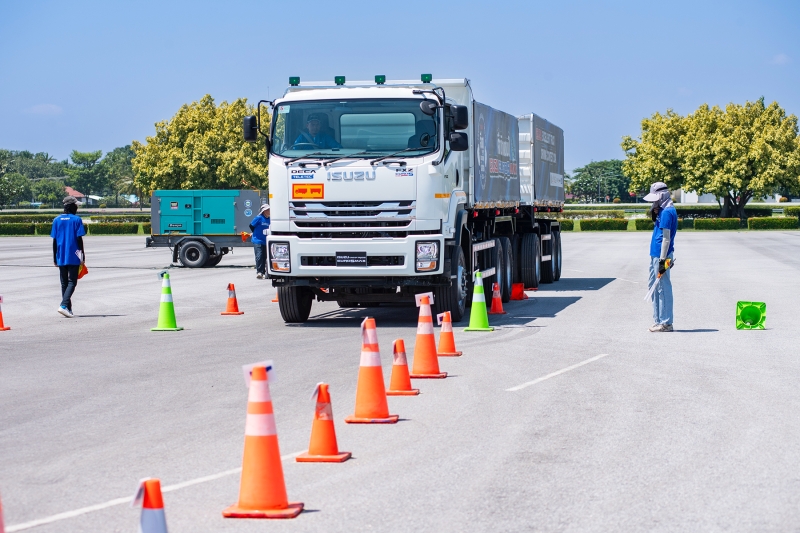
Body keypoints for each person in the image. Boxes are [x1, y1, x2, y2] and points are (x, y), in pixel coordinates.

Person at [644, 182, 678, 332]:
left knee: (663, 288)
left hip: (661, 255)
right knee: (654, 286)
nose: (653, 201)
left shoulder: (667, 212)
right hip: (655, 254)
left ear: (662, 196)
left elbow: (666, 238)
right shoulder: (661, 210)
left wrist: (663, 260)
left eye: (655, 199)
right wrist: (653, 210)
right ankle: (658, 320)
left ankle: (666, 323)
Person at [51, 195, 86, 318]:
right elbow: (79, 239)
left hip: (61, 255)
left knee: (64, 283)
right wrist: (82, 256)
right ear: (71, 206)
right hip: (74, 254)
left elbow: (54, 241)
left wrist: (55, 258)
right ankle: (63, 305)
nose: (77, 207)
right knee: (72, 282)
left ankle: (68, 309)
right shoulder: (76, 220)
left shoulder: (56, 220)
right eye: (76, 205)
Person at [249, 204, 270, 279]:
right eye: (267, 210)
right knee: (259, 256)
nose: (269, 211)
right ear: (263, 211)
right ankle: (259, 272)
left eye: (269, 210)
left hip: (266, 241)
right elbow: (251, 226)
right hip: (257, 240)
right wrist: (255, 233)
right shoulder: (258, 218)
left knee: (265, 257)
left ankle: (265, 272)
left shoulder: (270, 219)